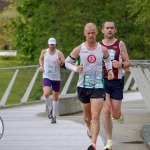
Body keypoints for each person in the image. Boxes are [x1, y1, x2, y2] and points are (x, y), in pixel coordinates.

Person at [65, 22, 114, 150]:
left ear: (97, 32)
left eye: (93, 33)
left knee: (96, 116)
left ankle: (93, 144)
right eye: (88, 33)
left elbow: (108, 60)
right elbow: (66, 62)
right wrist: (76, 69)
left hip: (98, 86)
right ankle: (88, 127)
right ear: (85, 34)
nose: (91, 35)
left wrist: (109, 71)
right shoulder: (79, 49)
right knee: (88, 118)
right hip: (83, 86)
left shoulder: (102, 49)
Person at [99, 21, 131, 150]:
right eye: (107, 28)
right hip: (103, 81)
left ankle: (118, 114)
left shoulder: (120, 44)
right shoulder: (98, 45)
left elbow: (128, 61)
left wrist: (121, 65)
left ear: (115, 30)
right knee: (106, 111)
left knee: (115, 114)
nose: (109, 30)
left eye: (112, 28)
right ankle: (109, 141)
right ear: (103, 30)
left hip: (117, 81)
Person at [39, 37, 65, 124]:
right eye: (50, 44)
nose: (52, 46)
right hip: (46, 76)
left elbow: (64, 63)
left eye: (53, 44)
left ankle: (54, 116)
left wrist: (60, 63)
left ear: (55, 44)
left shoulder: (59, 53)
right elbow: (41, 59)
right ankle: (50, 108)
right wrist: (41, 65)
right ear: (48, 44)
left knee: (55, 97)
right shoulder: (44, 51)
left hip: (56, 78)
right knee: (46, 93)